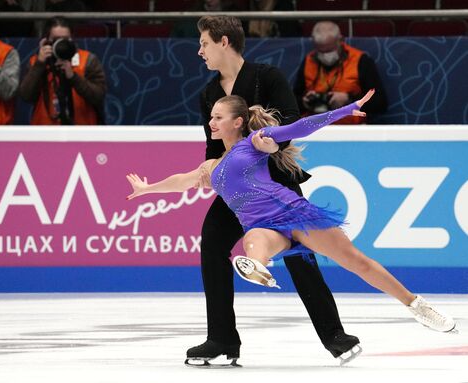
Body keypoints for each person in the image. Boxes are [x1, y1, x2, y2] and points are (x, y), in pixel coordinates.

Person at [125, 91, 456, 364]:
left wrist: (349, 109)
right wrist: (148, 189)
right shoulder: (211, 167)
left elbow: (300, 127)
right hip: (262, 226)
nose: (211, 122)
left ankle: (416, 305)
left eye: (218, 117)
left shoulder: (254, 142)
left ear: (237, 122)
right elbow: (181, 181)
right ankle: (256, 266)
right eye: (211, 117)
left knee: (357, 262)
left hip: (294, 214)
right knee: (252, 241)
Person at [188, 15, 361, 366]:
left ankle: (334, 335)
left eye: (204, 43)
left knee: (300, 254)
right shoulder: (208, 94)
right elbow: (213, 146)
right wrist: (210, 168)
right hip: (236, 189)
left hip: (276, 183)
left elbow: (291, 120)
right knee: (213, 244)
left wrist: (263, 142)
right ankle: (221, 338)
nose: (199, 50)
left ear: (224, 42)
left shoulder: (266, 77)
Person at [294, 21, 388, 124]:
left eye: (329, 50)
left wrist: (349, 99)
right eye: (321, 51)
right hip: (314, 127)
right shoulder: (308, 61)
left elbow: (380, 103)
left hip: (351, 128)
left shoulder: (360, 60)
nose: (325, 55)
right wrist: (304, 102)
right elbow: (292, 102)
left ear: (340, 40)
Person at [19, 16, 107, 125]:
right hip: (44, 134)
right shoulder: (36, 62)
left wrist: (73, 77)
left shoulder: (88, 60)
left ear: (72, 39)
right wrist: (39, 65)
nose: (60, 44)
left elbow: (98, 97)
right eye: (56, 40)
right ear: (46, 41)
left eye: (65, 40)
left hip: (82, 133)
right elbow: (26, 96)